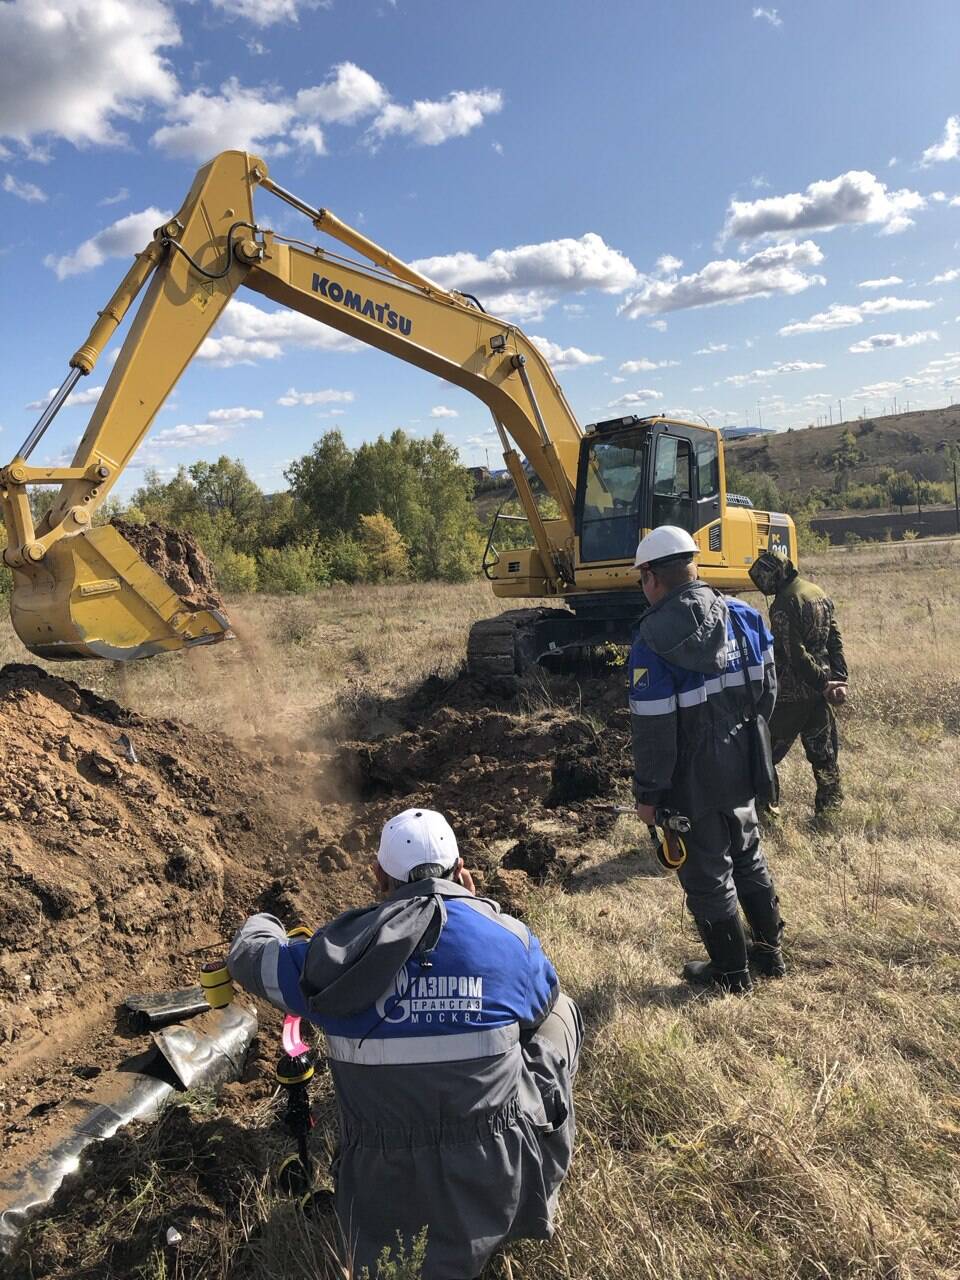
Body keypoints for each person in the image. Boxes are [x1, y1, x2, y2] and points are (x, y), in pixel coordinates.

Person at [227, 807, 583, 1280]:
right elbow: (539, 1001)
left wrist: (263, 922)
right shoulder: (509, 939)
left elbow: (248, 958)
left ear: (378, 878)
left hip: (380, 1196)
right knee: (559, 1010)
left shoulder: (334, 957)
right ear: (463, 871)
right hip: (498, 1184)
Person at [628, 526, 786, 991]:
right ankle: (770, 954)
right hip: (744, 759)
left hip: (688, 778)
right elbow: (769, 694)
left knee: (706, 873)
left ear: (653, 577)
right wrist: (746, 742)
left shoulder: (650, 640)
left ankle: (732, 974)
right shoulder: (746, 617)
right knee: (748, 853)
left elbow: (654, 730)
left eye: (642, 577)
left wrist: (649, 794)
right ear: (693, 566)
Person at [748, 550, 848, 821]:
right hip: (819, 691)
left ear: (773, 576)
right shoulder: (817, 592)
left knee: (763, 754)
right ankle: (830, 812)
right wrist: (838, 678)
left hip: (792, 693)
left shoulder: (783, 604)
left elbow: (794, 653)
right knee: (824, 754)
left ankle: (767, 813)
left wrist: (823, 682)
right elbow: (834, 639)